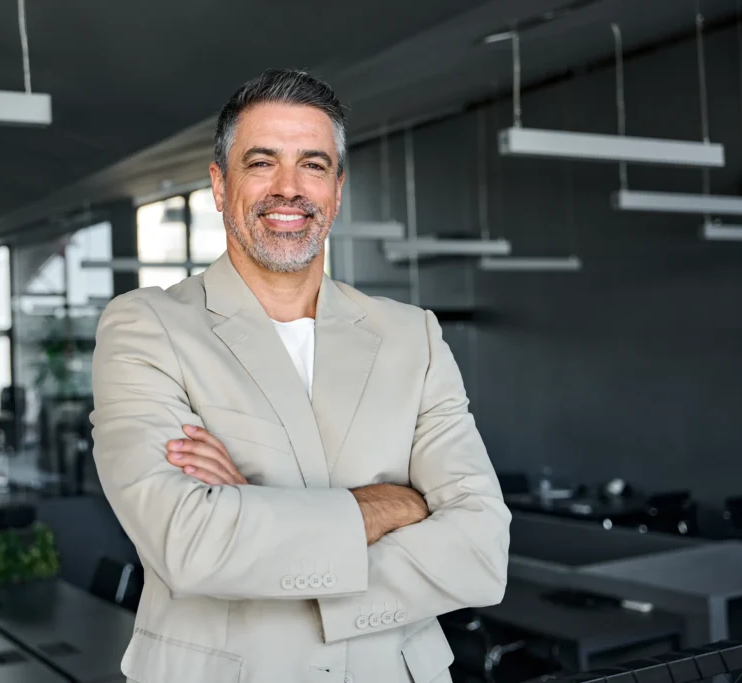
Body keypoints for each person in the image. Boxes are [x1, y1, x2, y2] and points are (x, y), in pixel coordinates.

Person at [90, 68, 511, 683]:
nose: (289, 189)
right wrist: (401, 504)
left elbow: (481, 550)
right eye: (262, 163)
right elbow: (189, 543)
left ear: (337, 189)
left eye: (313, 165)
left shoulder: (411, 335)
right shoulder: (147, 327)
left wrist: (252, 513)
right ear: (218, 183)